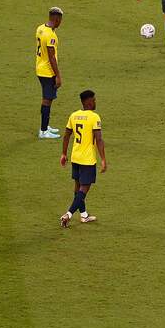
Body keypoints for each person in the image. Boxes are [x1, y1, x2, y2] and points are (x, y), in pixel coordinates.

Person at [59, 90, 107, 228]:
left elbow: (66, 135)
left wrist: (63, 154)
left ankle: (84, 215)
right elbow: (99, 139)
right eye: (94, 100)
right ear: (88, 102)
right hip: (87, 159)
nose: (95, 102)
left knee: (78, 187)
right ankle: (68, 214)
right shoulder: (94, 117)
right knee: (84, 189)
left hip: (75, 157)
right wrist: (103, 159)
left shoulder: (74, 115)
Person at [35, 7, 64, 139]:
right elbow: (52, 57)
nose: (60, 23)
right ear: (56, 19)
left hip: (40, 67)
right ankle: (43, 130)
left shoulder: (40, 28)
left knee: (48, 99)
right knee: (47, 100)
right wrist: (58, 75)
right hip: (47, 72)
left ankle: (46, 126)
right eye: (60, 20)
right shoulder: (51, 35)